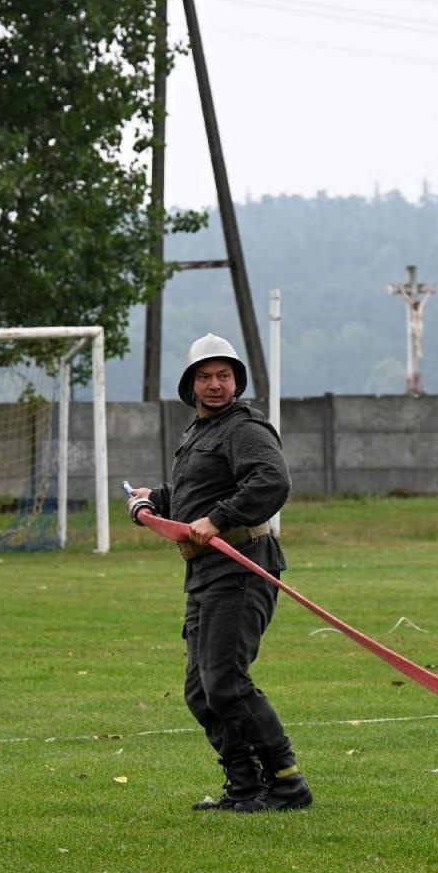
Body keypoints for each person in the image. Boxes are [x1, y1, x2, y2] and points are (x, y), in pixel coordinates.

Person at [126, 334, 312, 812]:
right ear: (190, 384)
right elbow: (196, 494)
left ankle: (287, 782)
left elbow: (272, 480)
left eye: (223, 375)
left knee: (225, 681)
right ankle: (246, 786)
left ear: (236, 381)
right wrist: (156, 499)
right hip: (205, 573)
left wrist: (219, 519)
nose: (215, 385)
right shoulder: (199, 433)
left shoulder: (244, 428)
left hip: (242, 569)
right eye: (205, 376)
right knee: (200, 690)